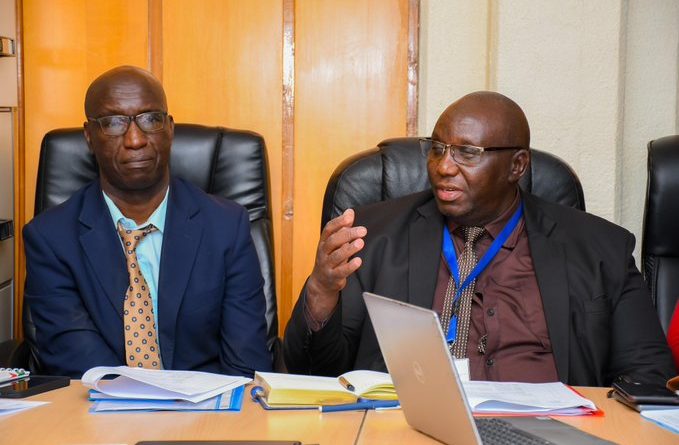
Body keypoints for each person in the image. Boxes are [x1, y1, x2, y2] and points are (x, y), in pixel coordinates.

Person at [284, 91, 675, 387]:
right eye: (437, 149)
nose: (443, 166)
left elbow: (649, 379)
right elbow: (314, 374)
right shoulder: (374, 236)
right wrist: (321, 290)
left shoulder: (600, 249)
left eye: (467, 153)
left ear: (517, 165)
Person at [23, 66, 271, 378]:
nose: (135, 139)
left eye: (150, 119)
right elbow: (76, 358)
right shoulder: (50, 238)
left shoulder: (226, 227)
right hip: (102, 404)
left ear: (169, 128)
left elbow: (245, 363)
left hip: (207, 404)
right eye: (114, 123)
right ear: (89, 136)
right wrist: (145, 402)